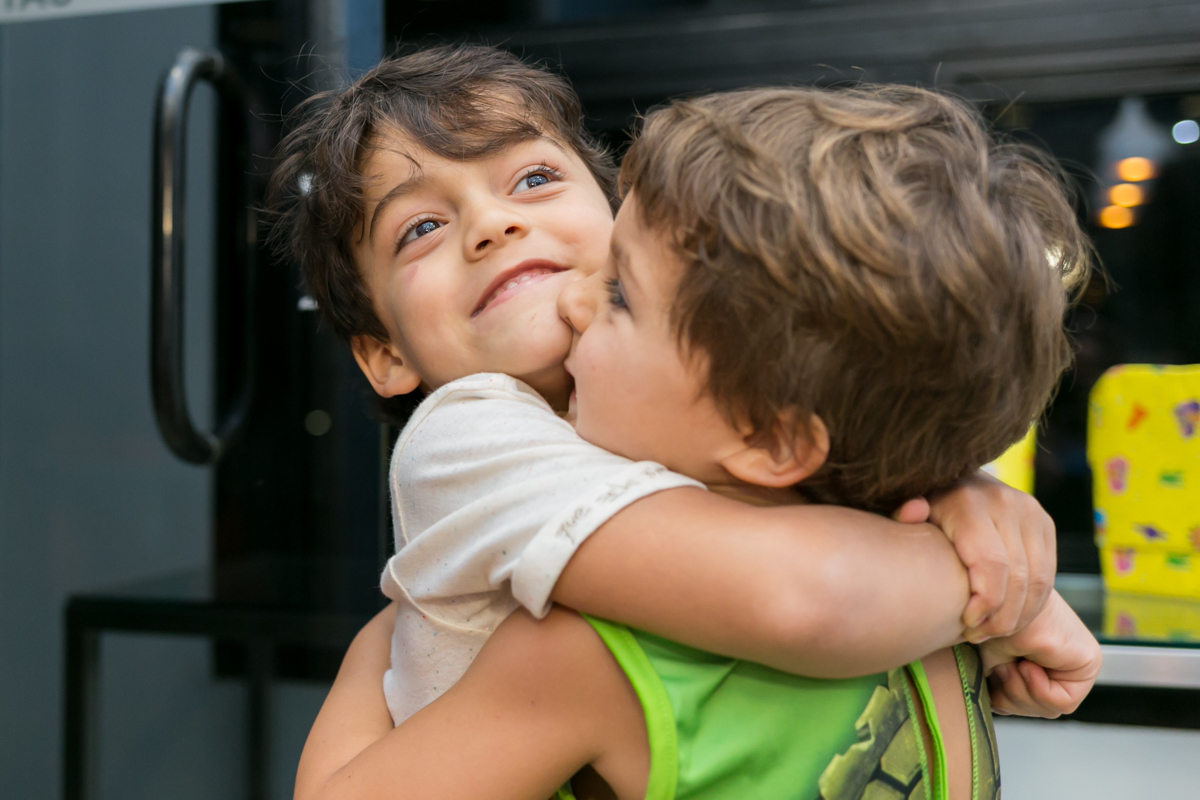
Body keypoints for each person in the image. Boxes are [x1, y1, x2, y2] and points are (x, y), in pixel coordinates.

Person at [266, 45, 1070, 796]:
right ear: (383, 354)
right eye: (421, 228)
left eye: (535, 180)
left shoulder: (709, 442)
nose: (493, 224)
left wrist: (957, 497)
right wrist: (987, 579)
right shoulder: (466, 431)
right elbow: (809, 594)